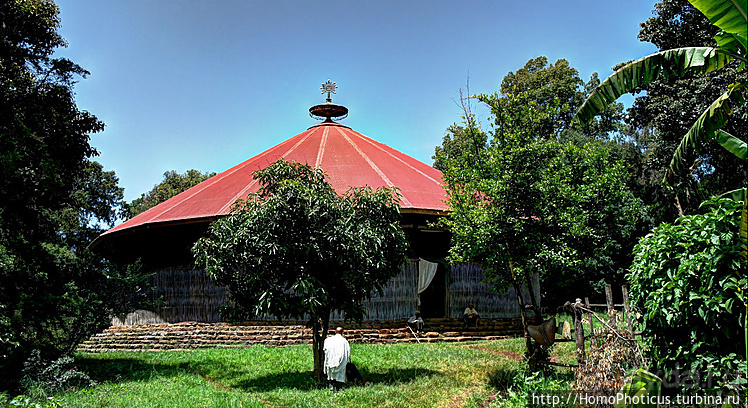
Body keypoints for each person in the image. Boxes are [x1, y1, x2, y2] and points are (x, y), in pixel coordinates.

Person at [323, 326, 350, 393]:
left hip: (331, 361)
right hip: (341, 362)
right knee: (339, 375)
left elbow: (325, 349)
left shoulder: (328, 340)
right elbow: (347, 352)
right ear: (342, 332)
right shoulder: (344, 341)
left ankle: (331, 385)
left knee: (331, 375)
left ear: (335, 331)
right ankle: (337, 388)